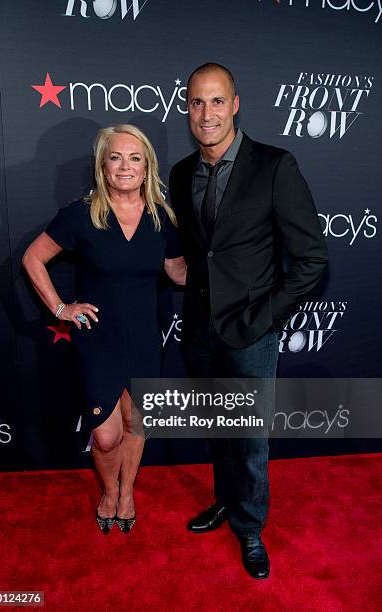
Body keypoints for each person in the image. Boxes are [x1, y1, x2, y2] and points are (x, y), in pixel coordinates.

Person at [169, 63, 328, 578]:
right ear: (186, 108)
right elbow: (203, 253)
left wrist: (266, 317)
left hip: (252, 333)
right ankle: (224, 500)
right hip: (199, 330)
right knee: (219, 428)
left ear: (235, 104)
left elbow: (311, 260)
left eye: (217, 102)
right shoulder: (178, 173)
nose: (206, 114)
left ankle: (250, 528)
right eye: (196, 103)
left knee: (251, 438)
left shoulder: (275, 166)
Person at [23, 124, 186, 534]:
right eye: (116, 157)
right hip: (98, 341)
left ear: (147, 167)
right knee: (108, 435)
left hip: (146, 339)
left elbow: (177, 271)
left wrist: (228, 262)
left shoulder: (161, 218)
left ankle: (124, 493)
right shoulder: (81, 214)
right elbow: (32, 258)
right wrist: (60, 307)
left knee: (137, 424)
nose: (125, 166)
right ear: (103, 166)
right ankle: (107, 489)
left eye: (135, 158)